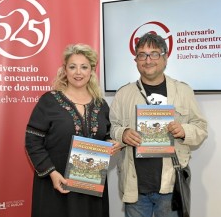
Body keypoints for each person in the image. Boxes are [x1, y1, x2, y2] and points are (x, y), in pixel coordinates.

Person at [109, 33, 208, 217]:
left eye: (154, 54)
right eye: (142, 55)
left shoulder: (183, 91)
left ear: (165, 57)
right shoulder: (123, 94)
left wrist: (183, 130)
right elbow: (112, 127)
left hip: (171, 185)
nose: (148, 60)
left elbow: (201, 128)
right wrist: (122, 134)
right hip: (135, 188)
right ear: (136, 60)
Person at [25, 43, 121, 217]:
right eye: (73, 67)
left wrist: (111, 144)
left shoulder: (101, 104)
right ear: (64, 70)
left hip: (91, 187)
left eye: (84, 67)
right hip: (57, 186)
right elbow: (32, 141)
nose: (78, 72)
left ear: (91, 71)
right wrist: (52, 173)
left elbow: (105, 135)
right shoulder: (49, 101)